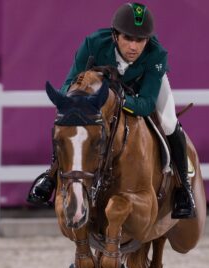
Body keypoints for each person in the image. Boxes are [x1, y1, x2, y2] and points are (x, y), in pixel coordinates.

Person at [28, 2, 195, 219]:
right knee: (70, 121)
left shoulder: (156, 55)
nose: (134, 47)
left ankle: (184, 188)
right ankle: (51, 175)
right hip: (106, 92)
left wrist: (115, 100)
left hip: (140, 89)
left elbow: (145, 105)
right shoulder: (93, 43)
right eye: (128, 38)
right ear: (115, 35)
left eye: (140, 40)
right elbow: (67, 87)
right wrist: (81, 104)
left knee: (169, 122)